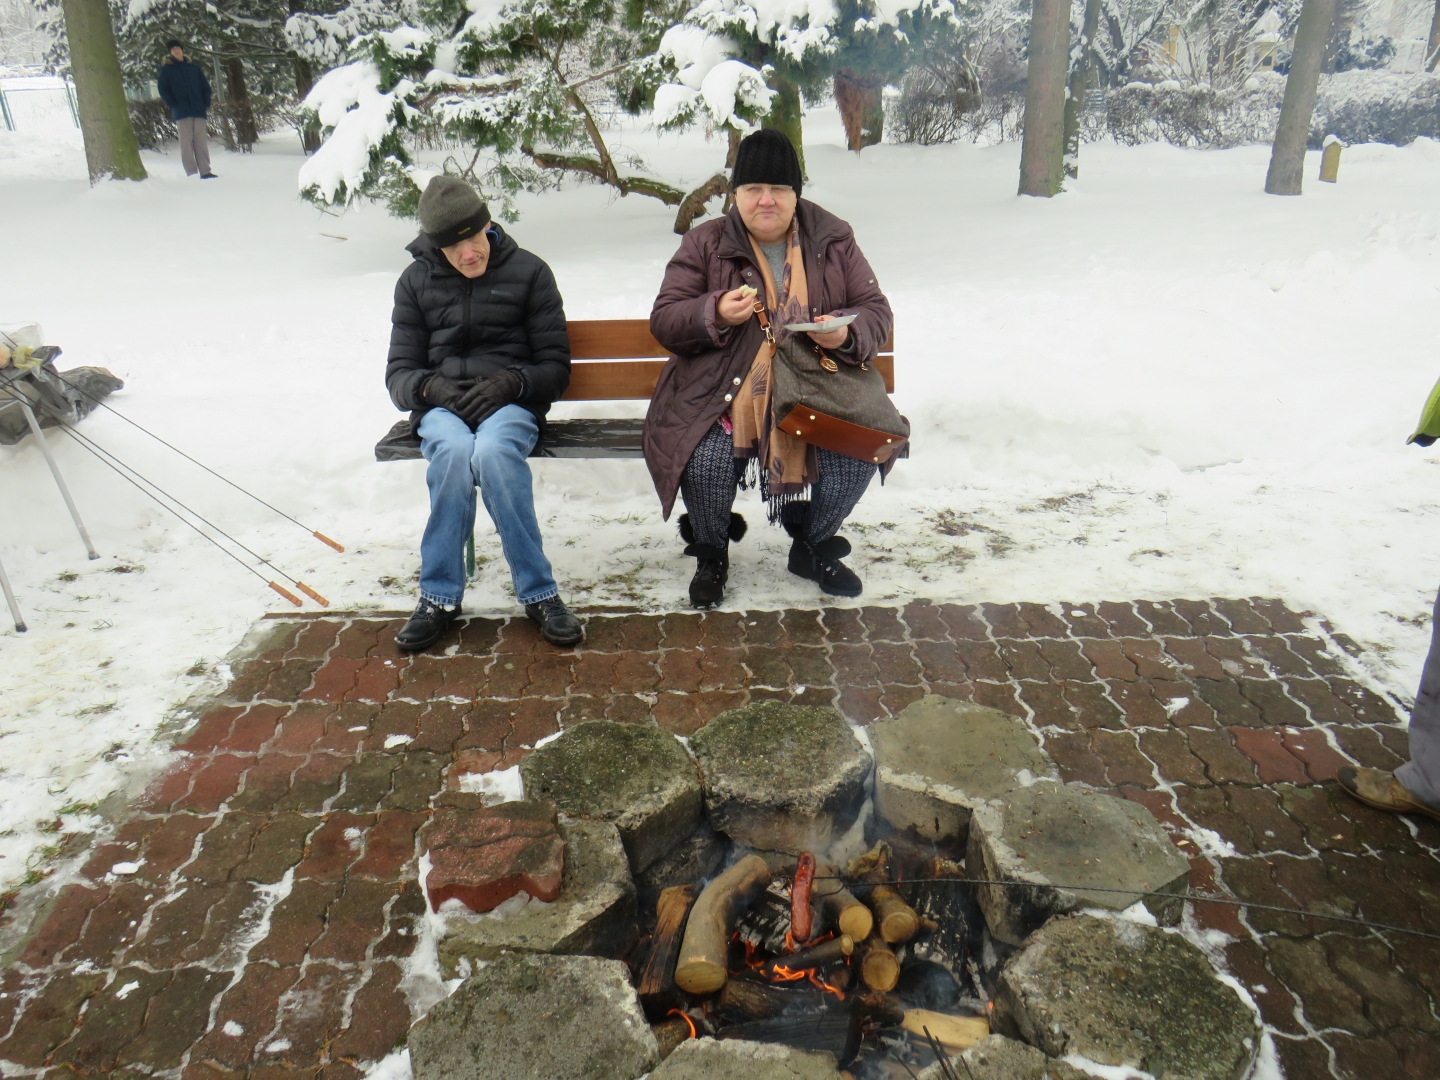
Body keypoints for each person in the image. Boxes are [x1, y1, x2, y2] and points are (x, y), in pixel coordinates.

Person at [645, 128, 894, 609]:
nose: (766, 201)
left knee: (856, 453)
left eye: (779, 189)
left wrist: (845, 333)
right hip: (720, 391)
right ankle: (712, 551)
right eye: (753, 189)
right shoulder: (705, 243)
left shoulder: (833, 237)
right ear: (735, 194)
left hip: (818, 388)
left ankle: (813, 543)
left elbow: (875, 310)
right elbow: (665, 318)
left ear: (795, 193)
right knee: (707, 461)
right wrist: (713, 311)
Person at [386, 175, 583, 650]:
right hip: (442, 408)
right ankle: (438, 597)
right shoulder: (415, 282)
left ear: (488, 224)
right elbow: (398, 374)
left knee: (494, 453)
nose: (468, 254)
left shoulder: (531, 272)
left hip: (510, 405)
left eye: (474, 239)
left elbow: (555, 367)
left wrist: (513, 381)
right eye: (453, 249)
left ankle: (539, 593)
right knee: (452, 453)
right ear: (436, 248)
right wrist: (434, 388)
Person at [156, 40, 215, 179]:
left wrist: (205, 102)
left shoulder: (193, 68)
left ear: (182, 50)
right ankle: (192, 173)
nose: (176, 50)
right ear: (170, 52)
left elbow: (205, 86)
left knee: (201, 142)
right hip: (182, 112)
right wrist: (174, 104)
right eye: (173, 49)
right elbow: (163, 89)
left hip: (198, 110)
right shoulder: (166, 70)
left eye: (178, 48)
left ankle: (205, 171)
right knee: (186, 144)